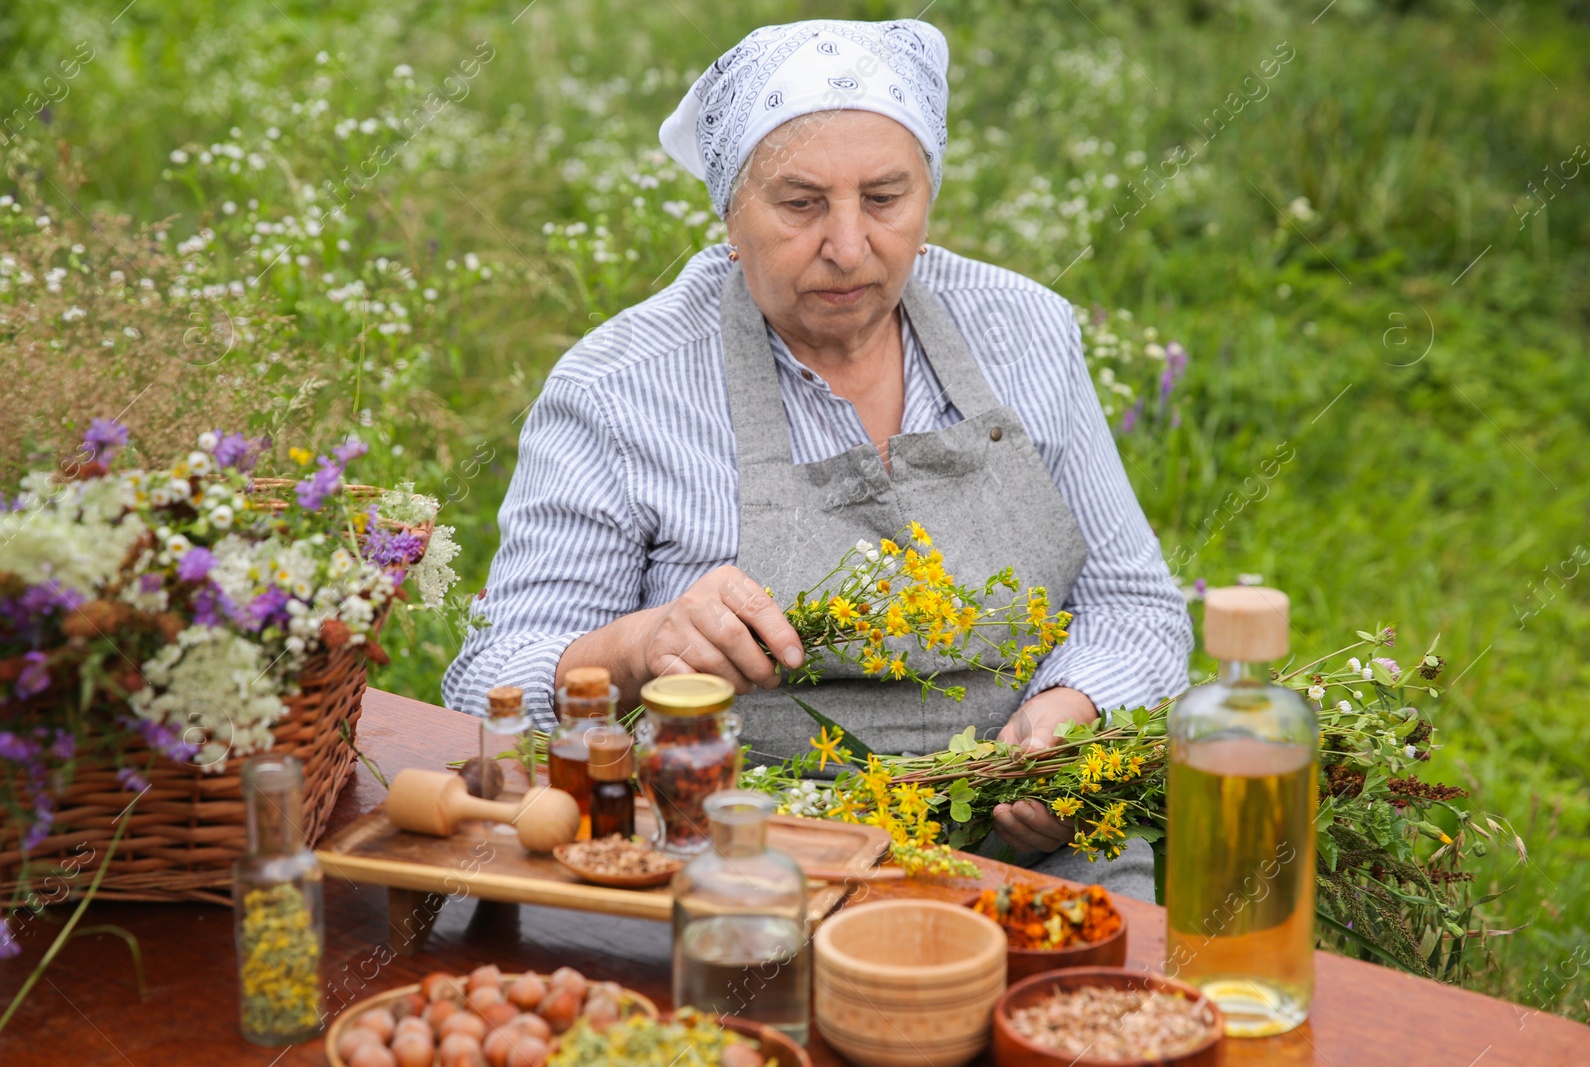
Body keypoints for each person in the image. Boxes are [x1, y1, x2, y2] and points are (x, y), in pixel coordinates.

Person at [443, 18, 1191, 899]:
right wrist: (639, 647)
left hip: (1031, 855)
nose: (847, 245)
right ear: (727, 209)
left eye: (885, 198)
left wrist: (1074, 716)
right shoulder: (619, 387)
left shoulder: (1023, 329)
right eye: (799, 204)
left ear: (930, 193)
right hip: (735, 863)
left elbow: (1136, 603)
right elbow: (484, 690)